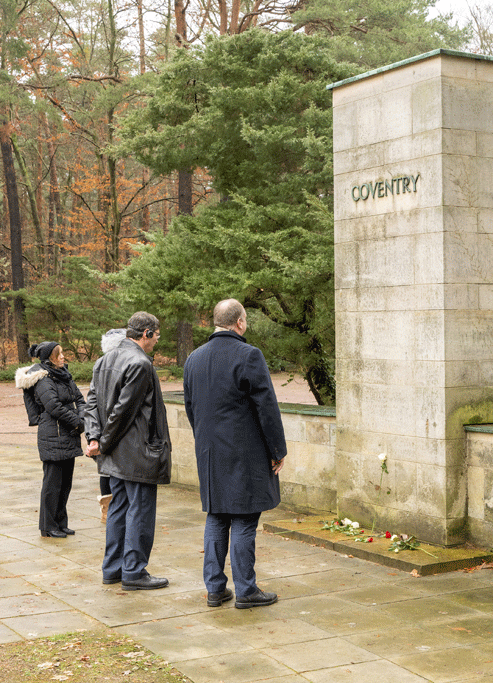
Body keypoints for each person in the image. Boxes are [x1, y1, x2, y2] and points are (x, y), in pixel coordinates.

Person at [183, 298, 287, 609]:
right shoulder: (249, 355)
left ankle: (215, 589)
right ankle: (246, 590)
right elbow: (267, 407)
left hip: (210, 453)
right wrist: (277, 450)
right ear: (239, 322)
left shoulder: (194, 359)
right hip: (245, 454)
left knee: (217, 517)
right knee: (243, 518)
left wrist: (204, 442)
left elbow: (191, 408)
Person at [84, 312, 172, 590]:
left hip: (116, 453)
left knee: (119, 508)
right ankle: (133, 571)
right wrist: (101, 442)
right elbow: (123, 411)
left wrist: (94, 437)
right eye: (156, 335)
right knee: (139, 510)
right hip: (136, 452)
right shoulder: (140, 363)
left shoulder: (103, 360)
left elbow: (91, 403)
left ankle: (113, 569)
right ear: (146, 333)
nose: (157, 341)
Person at [15, 342, 85, 538]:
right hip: (53, 435)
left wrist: (82, 417)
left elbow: (79, 399)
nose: (63, 356)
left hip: (68, 434)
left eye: (62, 353)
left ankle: (61, 523)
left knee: (65, 484)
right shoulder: (44, 379)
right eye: (58, 354)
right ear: (49, 358)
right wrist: (78, 422)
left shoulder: (64, 375)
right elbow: (53, 406)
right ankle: (48, 526)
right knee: (52, 485)